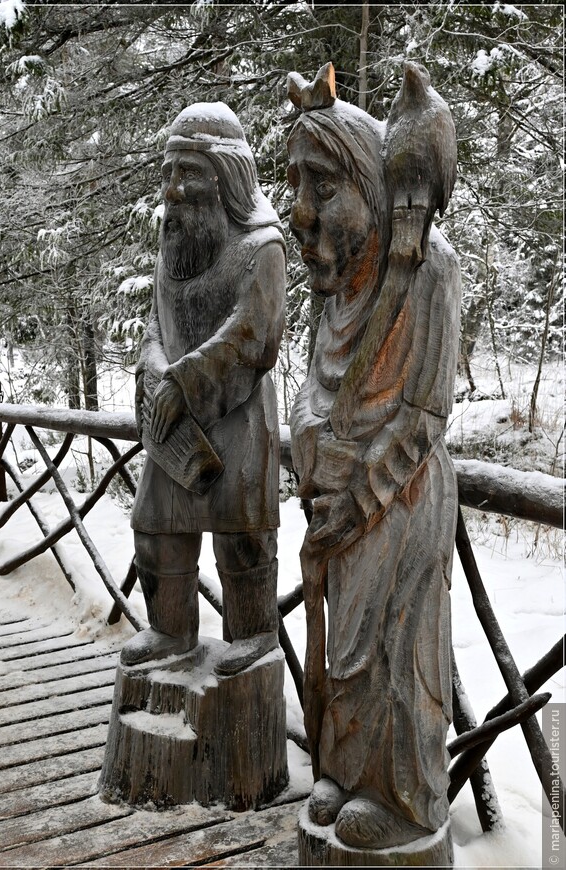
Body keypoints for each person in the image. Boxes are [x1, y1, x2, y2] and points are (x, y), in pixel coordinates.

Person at [287, 63, 461, 852]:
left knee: (390, 654)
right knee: (340, 655)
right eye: (295, 186)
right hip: (337, 511)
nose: (301, 212)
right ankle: (345, 772)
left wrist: (362, 490)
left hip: (397, 499)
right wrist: (307, 446)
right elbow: (313, 389)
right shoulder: (337, 298)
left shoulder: (429, 272)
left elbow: (426, 412)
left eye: (321, 188)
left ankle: (403, 796)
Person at [124, 102, 285, 677]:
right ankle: (171, 628)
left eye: (187, 172)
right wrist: (151, 374)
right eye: (168, 173)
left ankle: (253, 634)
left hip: (238, 422)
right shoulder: (173, 246)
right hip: (174, 429)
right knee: (157, 532)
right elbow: (153, 326)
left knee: (242, 541)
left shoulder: (260, 250)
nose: (172, 189)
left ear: (226, 176)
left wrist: (186, 382)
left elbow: (252, 337)